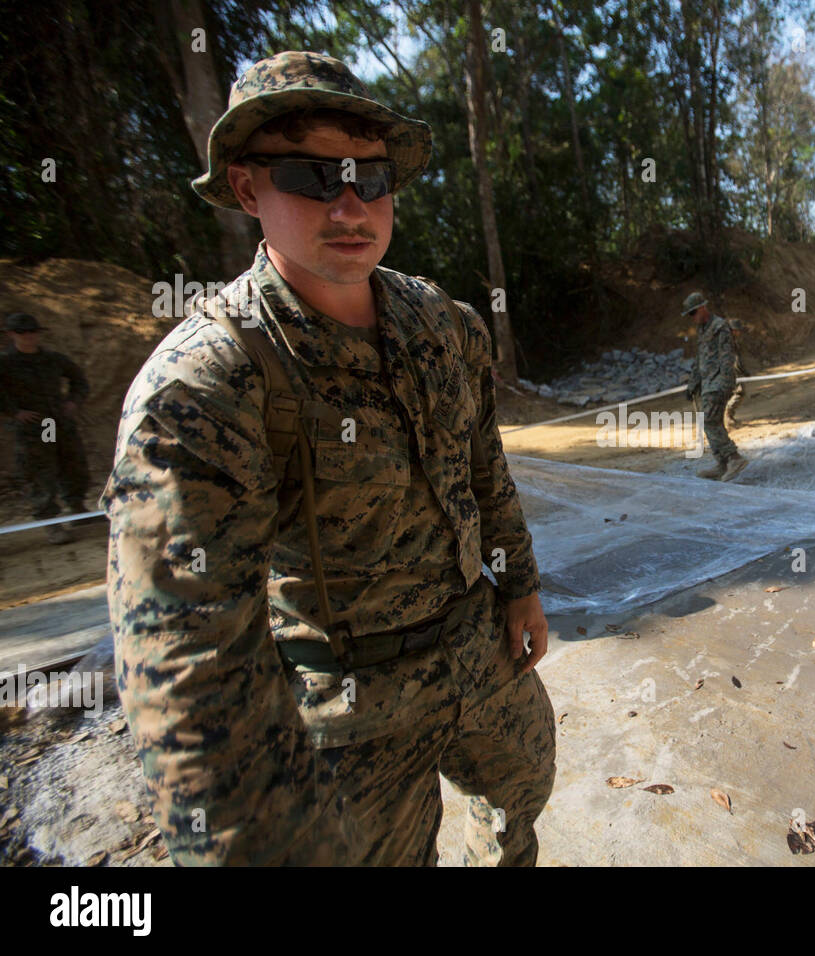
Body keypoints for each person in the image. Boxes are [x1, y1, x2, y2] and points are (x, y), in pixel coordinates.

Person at [101, 51, 555, 866]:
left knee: (516, 815)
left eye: (369, 177)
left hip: (478, 656)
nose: (350, 205)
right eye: (312, 177)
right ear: (248, 189)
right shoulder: (205, 386)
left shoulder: (443, 325)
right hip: (349, 717)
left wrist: (517, 584)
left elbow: (484, 465)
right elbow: (187, 671)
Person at [0, 311, 90, 544]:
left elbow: (79, 380)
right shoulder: (6, 362)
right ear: (11, 334)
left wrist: (73, 402)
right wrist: (14, 412)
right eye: (22, 332)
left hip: (58, 422)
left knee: (73, 464)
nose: (28, 336)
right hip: (35, 428)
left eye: (32, 331)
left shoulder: (53, 359)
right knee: (41, 472)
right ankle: (50, 522)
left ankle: (78, 509)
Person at [683, 291, 748, 481]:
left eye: (693, 313)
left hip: (718, 383)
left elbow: (727, 358)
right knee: (712, 422)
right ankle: (722, 463)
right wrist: (692, 385)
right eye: (690, 314)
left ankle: (734, 458)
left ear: (702, 308)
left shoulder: (719, 327)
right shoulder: (703, 330)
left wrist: (724, 384)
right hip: (707, 383)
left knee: (709, 420)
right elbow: (700, 360)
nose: (692, 318)